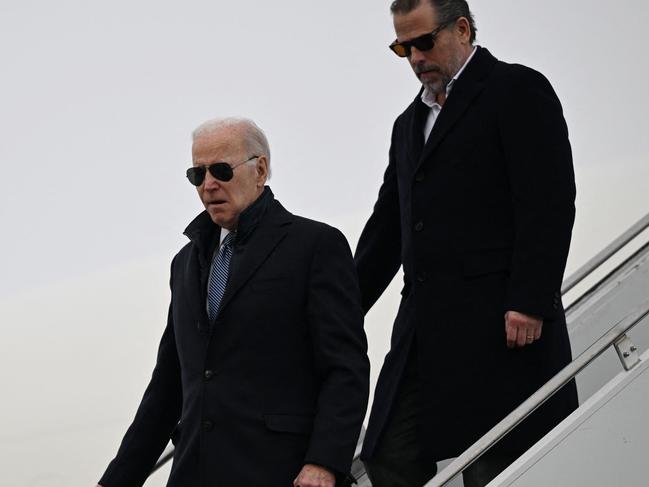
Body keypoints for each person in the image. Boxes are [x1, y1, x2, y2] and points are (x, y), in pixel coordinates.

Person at [355, 1, 578, 486]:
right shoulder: (406, 124)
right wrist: (339, 306)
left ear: (461, 29)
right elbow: (387, 228)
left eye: (423, 42)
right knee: (386, 452)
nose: (415, 58)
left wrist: (530, 298)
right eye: (402, 47)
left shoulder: (517, 90)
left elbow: (549, 200)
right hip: (423, 332)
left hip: (502, 327)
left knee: (495, 467)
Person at [97, 118, 370, 487]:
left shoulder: (315, 246)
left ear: (260, 170)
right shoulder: (184, 264)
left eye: (221, 170)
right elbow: (168, 387)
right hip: (195, 473)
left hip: (280, 472)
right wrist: (115, 480)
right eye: (198, 174)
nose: (209, 185)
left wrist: (324, 462)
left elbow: (345, 367)